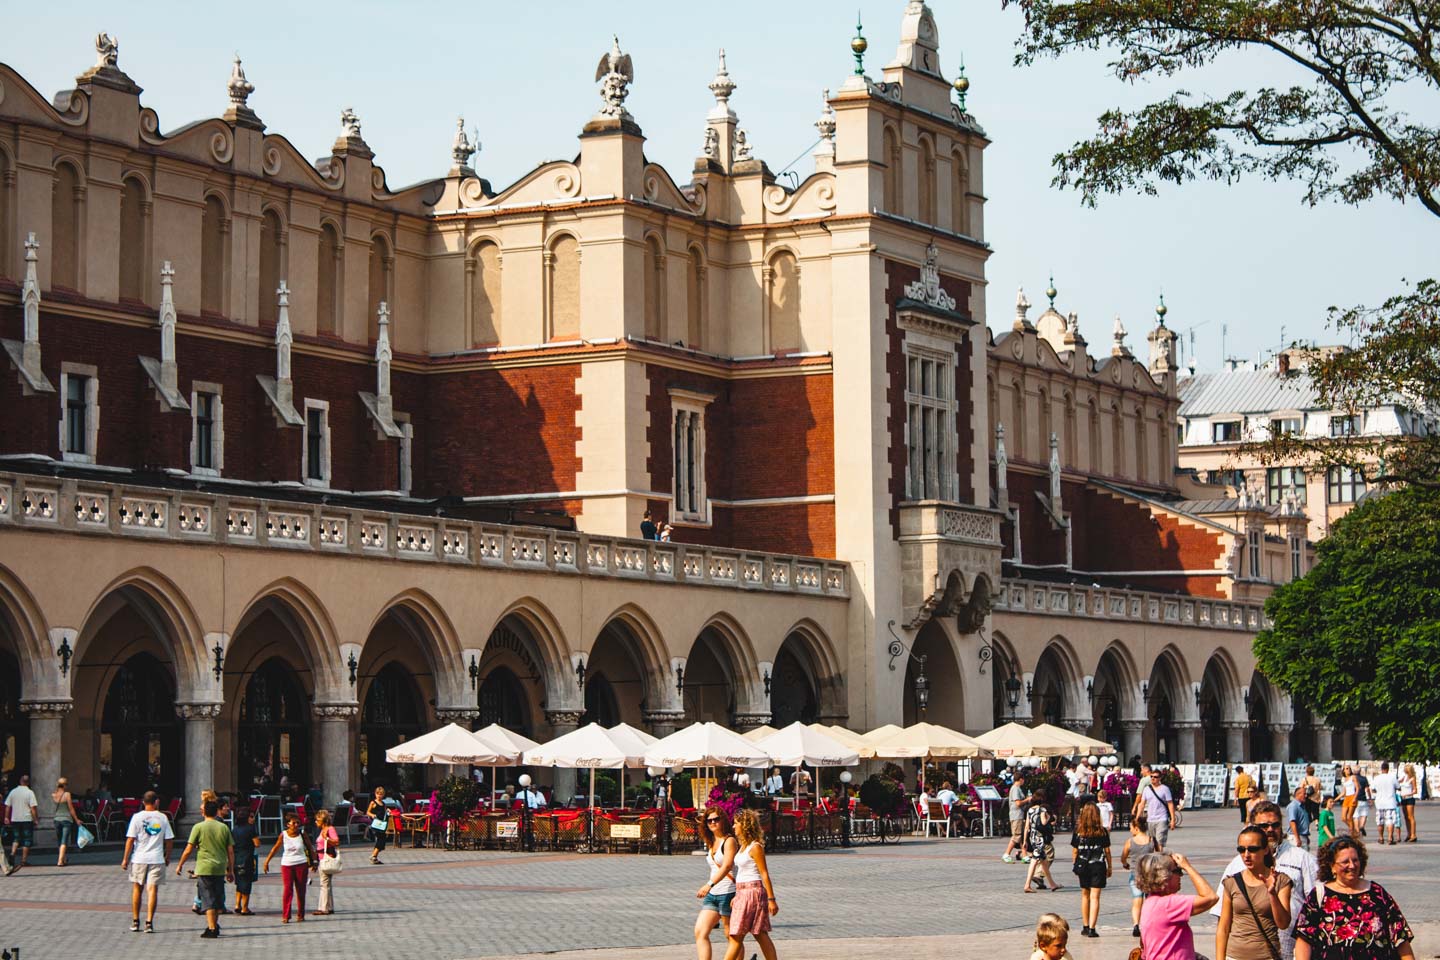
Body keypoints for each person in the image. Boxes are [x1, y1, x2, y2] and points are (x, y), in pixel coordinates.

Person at [1211, 799, 1319, 960]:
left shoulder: (1302, 859)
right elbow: (1223, 920)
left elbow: (1315, 905)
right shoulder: (1237, 865)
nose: (1270, 830)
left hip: (1292, 950)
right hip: (1241, 952)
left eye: (1275, 825)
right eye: (1264, 826)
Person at [1294, 836, 1415, 960]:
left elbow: (1400, 938)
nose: (1352, 866)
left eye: (1355, 860)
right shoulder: (1318, 896)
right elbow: (1304, 940)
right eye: (1345, 861)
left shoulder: (1377, 894)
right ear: (1332, 866)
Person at [1216, 825, 1294, 960]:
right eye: (1241, 849)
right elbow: (1223, 927)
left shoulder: (1281, 880)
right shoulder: (1231, 882)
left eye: (1252, 849)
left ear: (1265, 850)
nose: (1246, 855)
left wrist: (1272, 893)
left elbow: (1283, 923)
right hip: (1234, 956)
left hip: (1267, 956)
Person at [1137, 851, 1219, 960]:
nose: (1181, 875)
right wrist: (1188, 867)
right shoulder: (1168, 905)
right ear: (1164, 876)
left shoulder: (1149, 902)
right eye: (1178, 871)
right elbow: (1211, 897)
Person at [174, 798, 234, 939]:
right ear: (216, 811)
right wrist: (230, 869)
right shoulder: (223, 827)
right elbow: (230, 851)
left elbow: (189, 848)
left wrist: (180, 864)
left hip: (204, 867)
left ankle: (212, 928)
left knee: (208, 899)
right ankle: (214, 925)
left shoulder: (198, 827)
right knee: (217, 898)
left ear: (204, 813)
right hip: (220, 867)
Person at [722, 809, 778, 960]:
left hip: (753, 891)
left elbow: (764, 873)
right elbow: (741, 873)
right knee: (759, 933)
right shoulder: (743, 847)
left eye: (736, 823)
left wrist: (771, 900)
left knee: (737, 935)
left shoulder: (755, 847)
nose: (733, 827)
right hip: (743, 892)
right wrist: (738, 895)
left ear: (745, 825)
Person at [120, 790, 174, 933]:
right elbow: (169, 840)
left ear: (143, 802)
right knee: (152, 890)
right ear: (156, 802)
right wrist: (167, 856)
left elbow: (130, 839)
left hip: (139, 858)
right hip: (157, 858)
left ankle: (135, 920)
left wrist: (125, 859)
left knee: (137, 888)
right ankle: (149, 922)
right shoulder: (163, 818)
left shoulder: (137, 817)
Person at [695, 807, 738, 960]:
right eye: (709, 820)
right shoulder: (711, 841)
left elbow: (727, 866)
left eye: (716, 819)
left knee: (731, 936)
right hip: (713, 895)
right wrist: (711, 887)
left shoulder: (729, 841)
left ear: (723, 821)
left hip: (728, 892)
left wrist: (709, 885)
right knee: (700, 931)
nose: (712, 822)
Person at [1069, 801, 1112, 938]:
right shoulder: (1102, 831)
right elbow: (1107, 851)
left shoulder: (1078, 831)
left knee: (1085, 895)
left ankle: (1085, 926)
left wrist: (1075, 864)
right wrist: (1110, 866)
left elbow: (1075, 851)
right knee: (1095, 897)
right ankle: (1093, 928)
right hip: (1098, 865)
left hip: (1083, 865)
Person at [263, 815, 314, 923]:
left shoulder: (302, 834)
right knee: (287, 890)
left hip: (301, 863)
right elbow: (275, 848)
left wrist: (315, 862)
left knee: (301, 890)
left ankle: (301, 914)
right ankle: (286, 915)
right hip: (287, 864)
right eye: (293, 823)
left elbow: (310, 847)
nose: (296, 825)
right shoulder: (284, 835)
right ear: (288, 824)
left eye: (297, 823)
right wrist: (267, 861)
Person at [1120, 812, 1155, 939]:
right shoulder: (1151, 840)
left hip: (1135, 874)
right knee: (1150, 900)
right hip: (1149, 874)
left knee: (1137, 900)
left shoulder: (1130, 842)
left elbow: (1123, 857)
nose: (1130, 830)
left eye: (1130, 827)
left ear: (1136, 828)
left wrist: (1125, 864)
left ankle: (1136, 925)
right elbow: (1158, 854)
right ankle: (1148, 924)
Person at [1022, 800, 1061, 894]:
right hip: (1040, 838)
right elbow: (1043, 823)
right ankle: (1027, 885)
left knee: (1043, 861)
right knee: (1034, 861)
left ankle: (1052, 884)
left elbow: (1027, 827)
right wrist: (1049, 817)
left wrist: (1024, 841)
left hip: (1032, 837)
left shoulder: (1030, 810)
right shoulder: (1042, 809)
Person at [3, 773, 38, 872]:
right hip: (26, 819)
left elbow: (7, 806)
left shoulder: (13, 792)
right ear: (28, 782)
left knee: (16, 838)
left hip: (15, 818)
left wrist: (6, 817)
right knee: (27, 839)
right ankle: (23, 860)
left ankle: (12, 853)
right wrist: (35, 819)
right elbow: (33, 808)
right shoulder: (30, 792)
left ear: (20, 781)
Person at [1141, 767, 1177, 851]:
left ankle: (1159, 860)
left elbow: (1170, 804)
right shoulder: (1146, 789)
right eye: (1151, 776)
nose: (1153, 778)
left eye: (1155, 777)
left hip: (1162, 818)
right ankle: (1155, 859)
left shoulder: (1165, 789)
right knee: (1152, 843)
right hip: (1150, 819)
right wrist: (1137, 817)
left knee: (1159, 842)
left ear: (1160, 778)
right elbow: (1142, 804)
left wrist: (1172, 819)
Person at [313, 808, 341, 915]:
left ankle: (323, 907)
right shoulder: (323, 830)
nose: (316, 822)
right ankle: (329, 906)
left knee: (324, 884)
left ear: (323, 821)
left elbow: (336, 841)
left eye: (317, 820)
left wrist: (327, 839)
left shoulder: (329, 829)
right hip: (321, 858)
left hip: (326, 859)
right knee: (326, 883)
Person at [230, 808, 258, 915]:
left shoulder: (234, 829)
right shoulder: (250, 829)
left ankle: (237, 904)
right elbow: (257, 843)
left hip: (236, 858)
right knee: (246, 884)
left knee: (239, 883)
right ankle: (245, 908)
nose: (253, 819)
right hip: (247, 859)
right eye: (251, 816)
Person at [1003, 770, 1032, 864]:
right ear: (1020, 779)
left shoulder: (1017, 788)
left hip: (1019, 814)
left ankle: (1024, 855)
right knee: (1016, 836)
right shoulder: (1015, 788)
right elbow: (1018, 803)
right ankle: (1006, 854)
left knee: (1022, 836)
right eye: (1023, 779)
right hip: (1016, 815)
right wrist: (1027, 800)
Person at [51, 776, 79, 867]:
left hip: (56, 819)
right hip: (66, 819)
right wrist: (76, 819)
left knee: (60, 840)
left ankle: (63, 859)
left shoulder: (53, 795)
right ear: (65, 785)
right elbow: (71, 808)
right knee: (64, 840)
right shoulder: (67, 795)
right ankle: (60, 861)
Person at [1370, 762, 1399, 845]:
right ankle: (1390, 838)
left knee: (1380, 821)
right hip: (1390, 802)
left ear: (1381, 769)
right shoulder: (1392, 777)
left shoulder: (1377, 778)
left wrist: (1378, 791)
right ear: (1388, 769)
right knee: (1390, 821)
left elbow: (1372, 789)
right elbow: (1398, 787)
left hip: (1379, 802)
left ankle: (1381, 837)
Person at [367, 786, 391, 864]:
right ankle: (373, 856)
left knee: (383, 840)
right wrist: (372, 815)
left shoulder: (383, 803)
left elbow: (384, 812)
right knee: (380, 839)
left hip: (382, 824)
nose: (379, 796)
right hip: (376, 823)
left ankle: (375, 856)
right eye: (378, 794)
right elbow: (368, 812)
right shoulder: (373, 803)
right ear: (375, 794)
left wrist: (387, 811)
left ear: (383, 795)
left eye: (381, 794)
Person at [1284, 786, 1312, 850]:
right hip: (1296, 837)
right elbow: (1292, 822)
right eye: (1304, 794)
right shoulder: (1293, 806)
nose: (1306, 796)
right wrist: (1297, 838)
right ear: (1298, 794)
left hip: (1302, 836)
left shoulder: (1302, 806)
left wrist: (1306, 837)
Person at [1398, 763, 1418, 843]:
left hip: (1409, 798)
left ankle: (1413, 834)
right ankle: (1408, 834)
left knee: (1411, 816)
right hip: (1403, 798)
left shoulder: (1412, 778)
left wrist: (1407, 794)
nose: (1405, 771)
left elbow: (1415, 790)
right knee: (1406, 817)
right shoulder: (1404, 777)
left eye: (1406, 770)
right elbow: (1398, 783)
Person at [1339, 766, 1358, 836]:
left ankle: (1352, 833)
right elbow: (1343, 792)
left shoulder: (1353, 777)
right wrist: (1335, 799)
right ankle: (1354, 830)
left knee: (1349, 817)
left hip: (1352, 796)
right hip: (1347, 797)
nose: (1348, 770)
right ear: (1343, 771)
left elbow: (1357, 788)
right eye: (1347, 769)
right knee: (1343, 818)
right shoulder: (1344, 779)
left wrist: (1355, 798)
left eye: (1349, 768)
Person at [1353, 768, 1372, 837]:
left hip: (1355, 799)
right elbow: (1367, 789)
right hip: (1363, 798)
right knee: (1364, 814)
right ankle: (1361, 826)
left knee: (1355, 816)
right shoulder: (1364, 778)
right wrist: (1370, 798)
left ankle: (1357, 831)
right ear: (1360, 771)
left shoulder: (1352, 779)